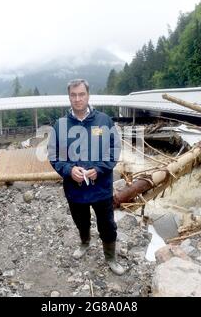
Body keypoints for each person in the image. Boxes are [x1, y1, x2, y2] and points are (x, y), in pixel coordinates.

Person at [47, 79, 125, 275]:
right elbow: (54, 156)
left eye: (81, 94)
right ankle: (85, 242)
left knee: (107, 224)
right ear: (69, 97)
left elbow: (115, 150)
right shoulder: (60, 125)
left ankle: (110, 257)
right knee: (80, 221)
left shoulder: (104, 121)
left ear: (88, 95)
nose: (77, 99)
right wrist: (68, 170)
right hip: (75, 190)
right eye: (73, 95)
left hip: (101, 188)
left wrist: (99, 169)